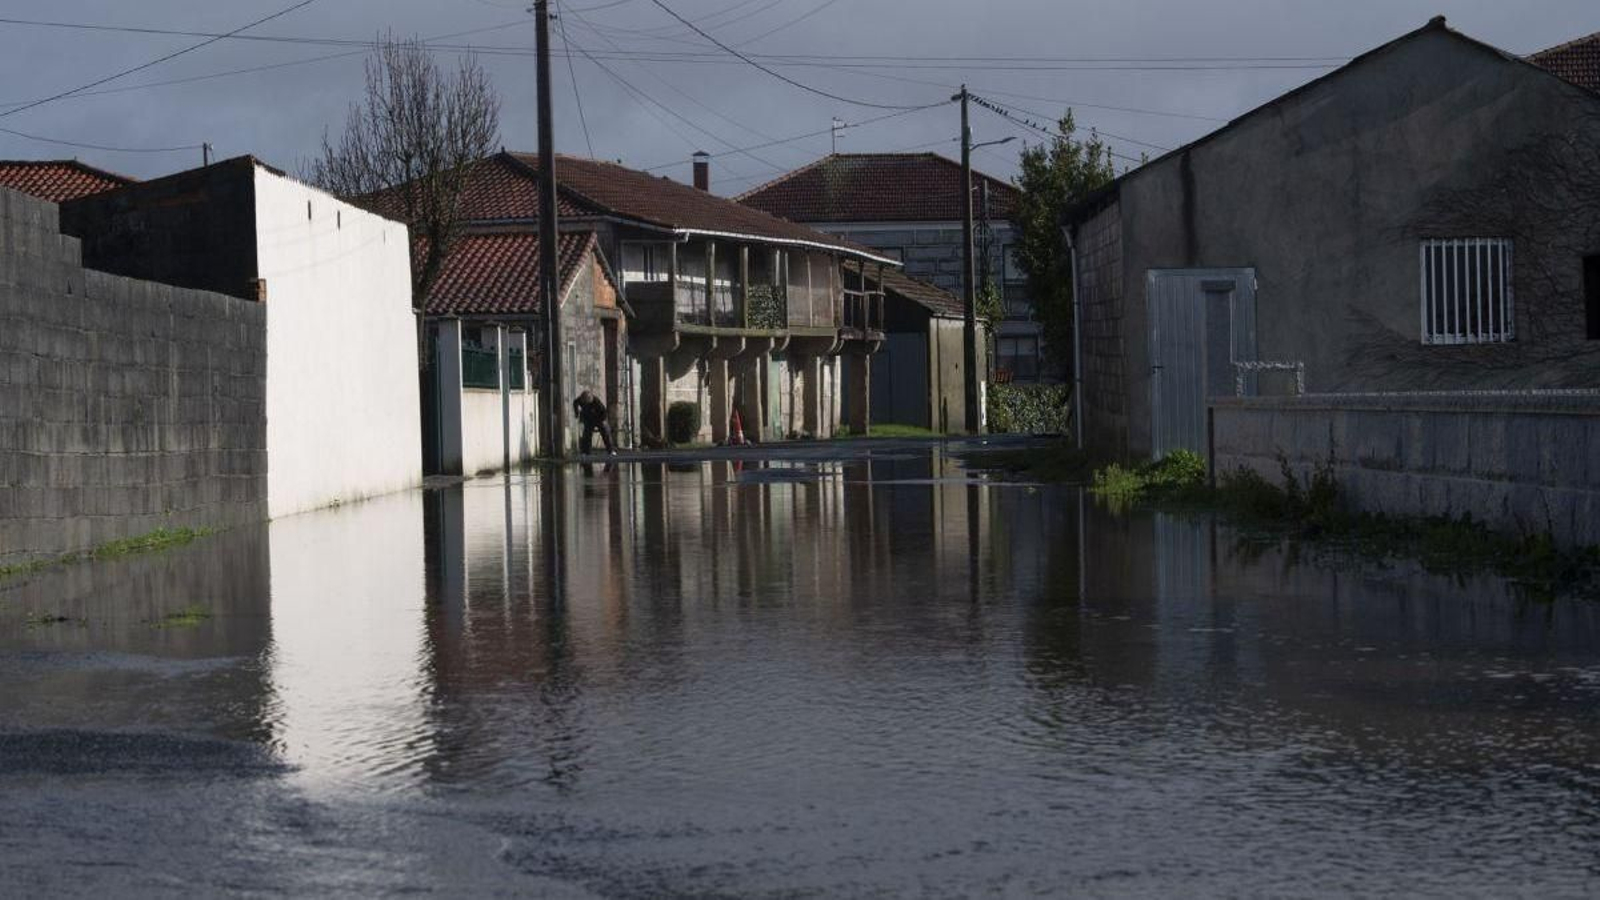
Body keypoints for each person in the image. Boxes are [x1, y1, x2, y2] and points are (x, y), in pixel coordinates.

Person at [572, 389, 617, 455]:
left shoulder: (596, 401)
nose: (586, 403)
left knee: (605, 432)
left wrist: (603, 421)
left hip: (599, 418)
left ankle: (610, 450)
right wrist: (576, 413)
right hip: (588, 419)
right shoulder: (580, 400)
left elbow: (604, 412)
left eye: (587, 402)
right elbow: (575, 402)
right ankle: (585, 452)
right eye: (585, 402)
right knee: (586, 434)